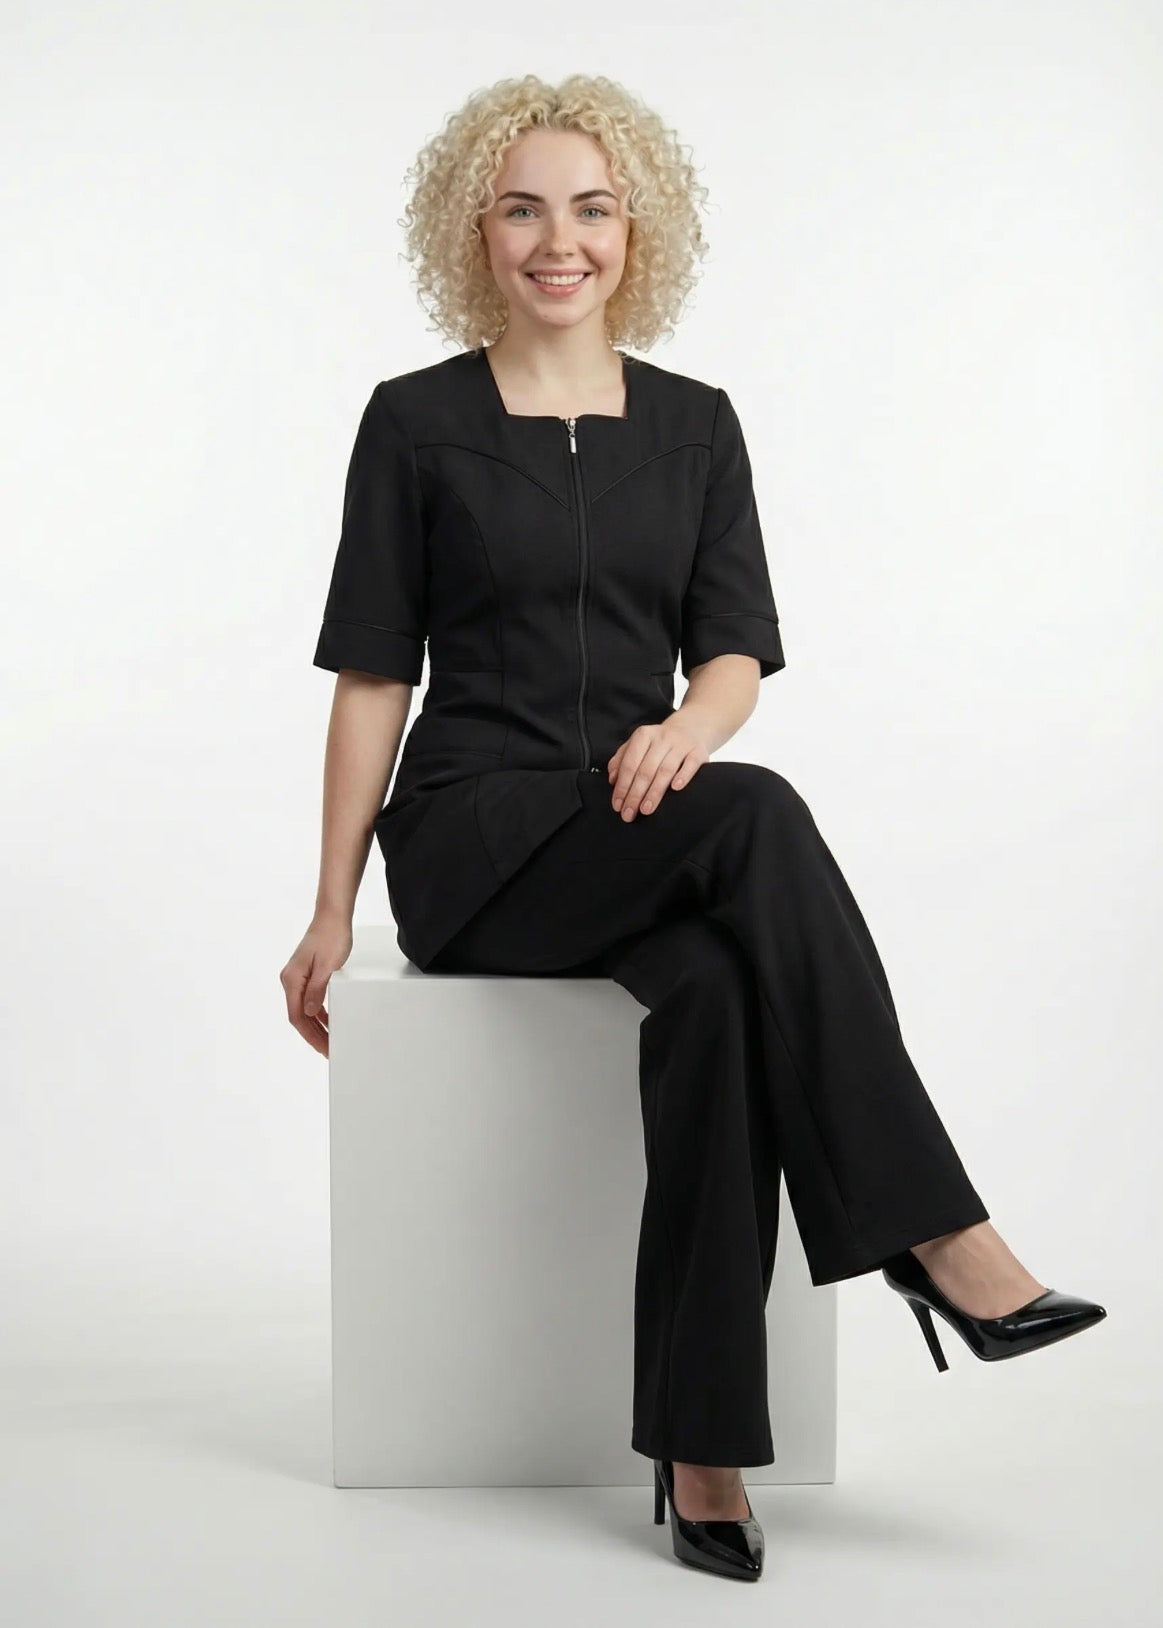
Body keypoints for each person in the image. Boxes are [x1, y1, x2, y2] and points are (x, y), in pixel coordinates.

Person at [280, 74, 1106, 1583]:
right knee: (764, 816)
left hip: (637, 818)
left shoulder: (696, 427)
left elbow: (732, 652)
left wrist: (688, 729)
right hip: (477, 843)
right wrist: (333, 909)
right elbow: (373, 678)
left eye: (592, 208)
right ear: (474, 231)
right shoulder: (414, 424)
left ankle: (703, 1443)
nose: (560, 241)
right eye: (524, 209)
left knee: (722, 994)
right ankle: (937, 1238)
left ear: (637, 228)